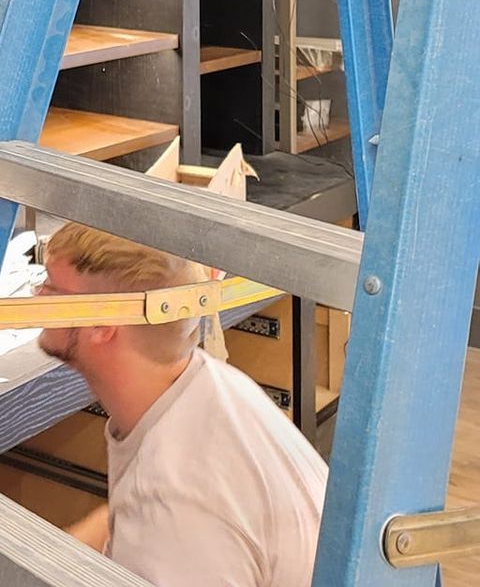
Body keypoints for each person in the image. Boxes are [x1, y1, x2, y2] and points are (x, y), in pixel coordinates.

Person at [30, 222, 327, 587]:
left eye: (51, 289)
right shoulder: (206, 384)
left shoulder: (175, 500)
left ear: (101, 325)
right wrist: (35, 560)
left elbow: (162, 506)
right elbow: (125, 515)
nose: (36, 298)